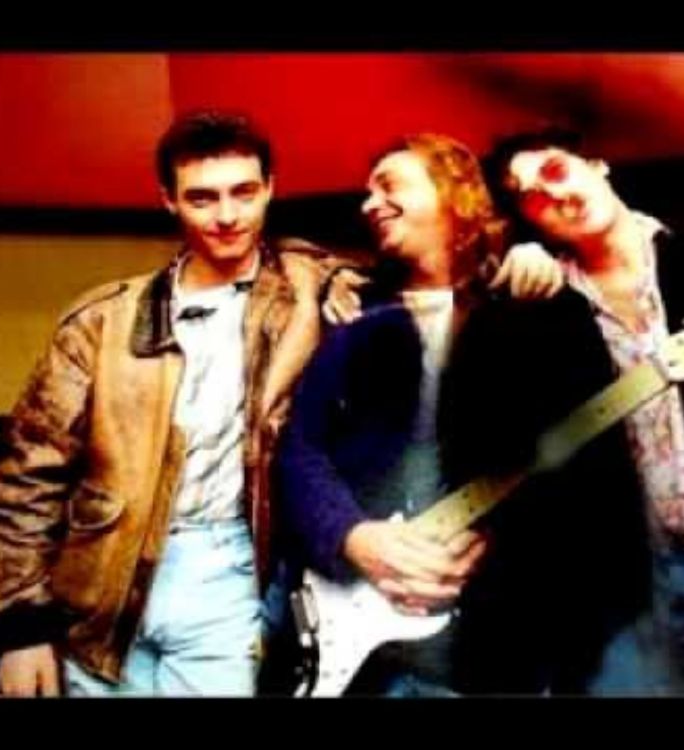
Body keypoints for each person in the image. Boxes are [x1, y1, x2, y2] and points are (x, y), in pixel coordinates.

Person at [274, 133, 653, 695]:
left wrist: (500, 543)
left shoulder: (542, 309)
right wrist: (352, 538)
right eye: (367, 192)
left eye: (389, 185)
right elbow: (301, 450)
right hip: (362, 637)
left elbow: (594, 481)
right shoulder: (357, 319)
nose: (370, 204)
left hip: (501, 644)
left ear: (452, 192)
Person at [0, 110, 331, 696]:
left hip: (228, 571)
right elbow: (27, 476)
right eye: (201, 198)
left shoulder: (313, 297)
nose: (227, 216)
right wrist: (18, 627)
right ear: (168, 200)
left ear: (270, 187)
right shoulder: (102, 322)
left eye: (244, 192)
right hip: (96, 582)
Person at [474, 128, 684, 695]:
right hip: (616, 594)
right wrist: (504, 280)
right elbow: (499, 442)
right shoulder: (540, 306)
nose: (553, 195)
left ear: (597, 164)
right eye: (530, 197)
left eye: (555, 170)